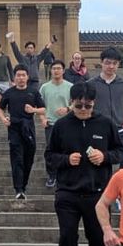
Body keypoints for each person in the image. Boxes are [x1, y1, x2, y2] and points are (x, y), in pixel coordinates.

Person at [45, 83, 123, 246]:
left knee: (99, 237)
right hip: (67, 192)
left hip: (97, 193)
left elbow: (121, 151)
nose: (82, 109)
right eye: (78, 105)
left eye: (87, 105)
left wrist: (105, 156)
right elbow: (49, 156)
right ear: (71, 102)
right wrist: (66, 160)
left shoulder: (105, 123)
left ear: (94, 103)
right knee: (67, 236)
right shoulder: (61, 125)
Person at [0, 64, 44, 200]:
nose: (21, 78)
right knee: (17, 159)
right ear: (14, 77)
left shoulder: (33, 91)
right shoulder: (9, 93)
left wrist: (33, 110)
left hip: (28, 127)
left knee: (28, 158)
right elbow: (0, 108)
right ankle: (19, 189)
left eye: (23, 75)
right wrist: (3, 119)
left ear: (27, 77)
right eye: (18, 75)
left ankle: (24, 185)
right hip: (14, 128)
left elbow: (44, 109)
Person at [89, 47, 123, 168]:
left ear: (118, 64)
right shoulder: (90, 84)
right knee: (99, 162)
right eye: (108, 63)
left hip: (120, 129)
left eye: (114, 63)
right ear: (101, 62)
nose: (111, 66)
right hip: (98, 129)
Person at [38, 59, 73, 188]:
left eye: (59, 68)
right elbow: (39, 105)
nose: (56, 71)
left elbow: (76, 103)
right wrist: (42, 118)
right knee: (50, 150)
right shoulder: (45, 87)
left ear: (63, 71)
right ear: (51, 71)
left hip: (66, 124)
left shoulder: (70, 86)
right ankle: (51, 175)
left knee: (66, 150)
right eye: (54, 69)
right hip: (50, 124)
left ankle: (65, 174)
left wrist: (68, 109)